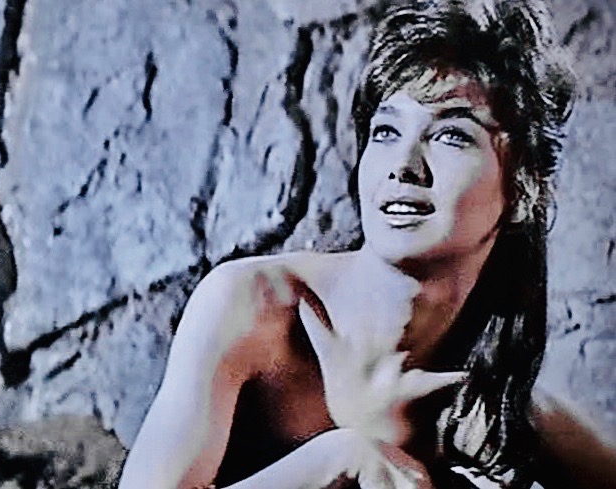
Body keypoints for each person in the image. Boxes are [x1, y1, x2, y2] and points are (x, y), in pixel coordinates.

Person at [118, 0, 616, 487]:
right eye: (386, 131)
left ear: (524, 189)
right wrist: (335, 461)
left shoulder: (501, 408)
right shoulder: (253, 306)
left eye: (451, 136)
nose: (403, 166)